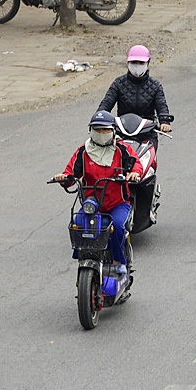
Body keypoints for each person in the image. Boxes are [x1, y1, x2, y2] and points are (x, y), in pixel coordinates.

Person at [53, 112, 139, 272]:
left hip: (117, 203)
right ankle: (84, 259)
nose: (101, 134)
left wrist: (133, 174)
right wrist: (63, 179)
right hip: (92, 203)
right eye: (97, 130)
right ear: (90, 131)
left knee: (118, 227)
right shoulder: (83, 152)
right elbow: (71, 174)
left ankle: (119, 261)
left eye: (105, 130)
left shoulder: (122, 149)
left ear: (113, 131)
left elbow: (135, 164)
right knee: (78, 224)